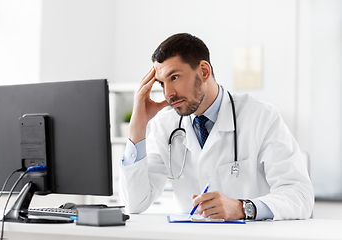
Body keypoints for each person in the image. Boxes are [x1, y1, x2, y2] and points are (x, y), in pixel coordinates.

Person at [119, 33, 314, 221]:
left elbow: (300, 196)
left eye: (175, 77)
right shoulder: (165, 126)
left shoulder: (261, 116)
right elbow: (135, 203)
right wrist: (138, 126)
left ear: (204, 71)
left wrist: (242, 208)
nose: (168, 93)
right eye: (162, 83)